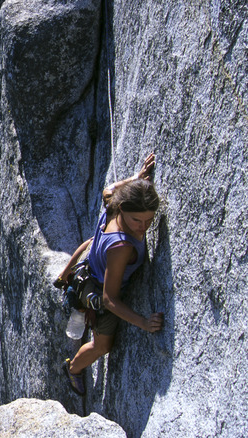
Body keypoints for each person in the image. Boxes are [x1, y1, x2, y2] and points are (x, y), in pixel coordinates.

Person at [56, 152, 164, 395]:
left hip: (89, 265)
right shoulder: (122, 247)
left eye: (149, 220)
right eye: (137, 220)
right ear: (125, 209)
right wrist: (144, 323)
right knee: (102, 345)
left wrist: (136, 179)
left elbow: (108, 190)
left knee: (92, 241)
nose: (143, 227)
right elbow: (109, 300)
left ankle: (72, 292)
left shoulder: (114, 204)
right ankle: (72, 370)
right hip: (97, 287)